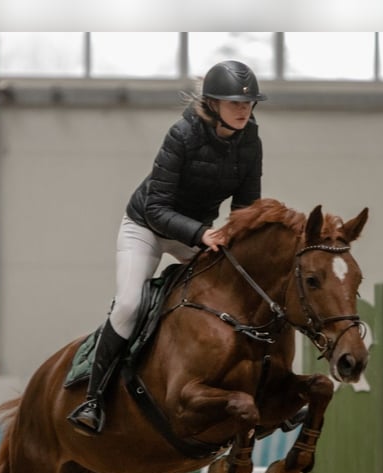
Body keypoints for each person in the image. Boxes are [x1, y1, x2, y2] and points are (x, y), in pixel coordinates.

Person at [68, 60, 267, 435]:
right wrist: (202, 235)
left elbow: (246, 206)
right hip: (145, 227)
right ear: (211, 103)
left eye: (248, 103)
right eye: (234, 103)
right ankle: (92, 399)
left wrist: (239, 239)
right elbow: (157, 208)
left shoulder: (251, 140)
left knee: (240, 292)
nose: (243, 110)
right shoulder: (182, 134)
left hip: (197, 233)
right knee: (129, 304)